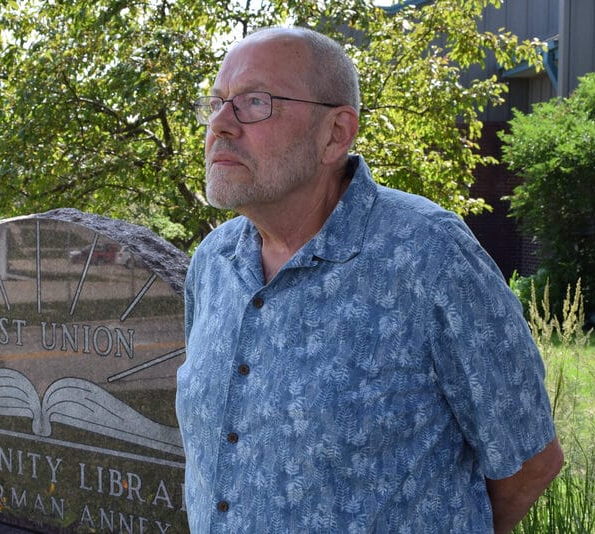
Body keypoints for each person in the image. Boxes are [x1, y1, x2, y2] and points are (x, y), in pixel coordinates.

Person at [175, 26, 563, 533]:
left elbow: (530, 460)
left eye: (255, 102)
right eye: (217, 102)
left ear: (335, 133)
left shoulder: (429, 255)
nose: (221, 125)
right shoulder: (212, 262)